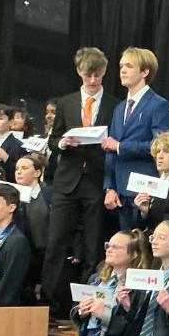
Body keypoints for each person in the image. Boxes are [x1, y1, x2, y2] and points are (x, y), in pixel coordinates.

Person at [45, 48, 115, 314]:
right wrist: (63, 142)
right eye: (88, 75)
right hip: (67, 180)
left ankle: (87, 304)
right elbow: (53, 140)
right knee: (55, 243)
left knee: (93, 246)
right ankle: (50, 304)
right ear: (79, 72)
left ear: (104, 72)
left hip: (96, 179)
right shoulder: (66, 103)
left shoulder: (114, 105)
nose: (93, 80)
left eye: (97, 75)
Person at [103, 48, 169, 230]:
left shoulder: (159, 105)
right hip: (120, 191)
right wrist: (109, 187)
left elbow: (159, 146)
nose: (123, 70)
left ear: (145, 72)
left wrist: (121, 147)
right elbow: (110, 148)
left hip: (145, 189)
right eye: (121, 66)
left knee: (144, 241)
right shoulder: (119, 108)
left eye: (129, 66)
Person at [14, 153, 50, 304]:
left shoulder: (49, 194)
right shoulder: (12, 196)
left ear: (37, 173)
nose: (19, 172)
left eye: (24, 168)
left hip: (46, 252)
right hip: (23, 252)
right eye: (16, 169)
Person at [0, 105, 26, 170]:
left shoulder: (18, 146)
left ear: (11, 122)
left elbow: (20, 171)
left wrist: (5, 158)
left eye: (0, 119)